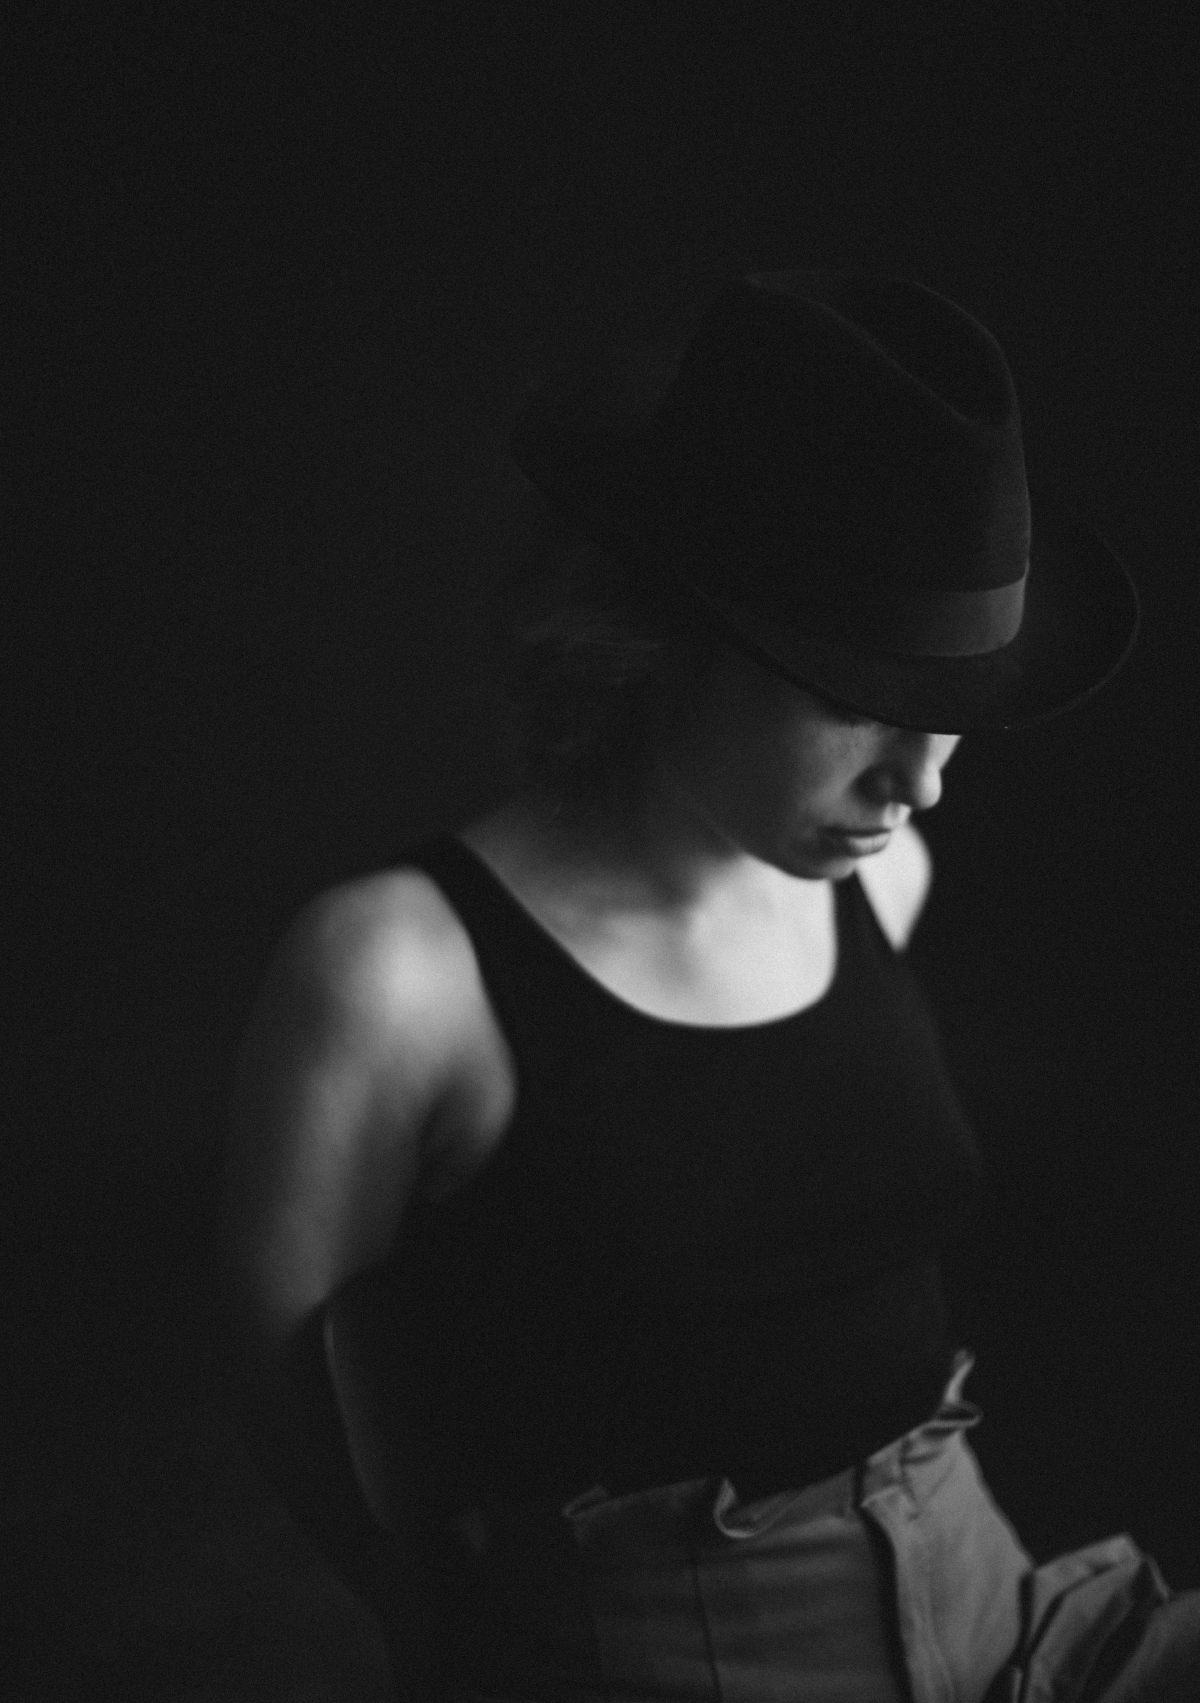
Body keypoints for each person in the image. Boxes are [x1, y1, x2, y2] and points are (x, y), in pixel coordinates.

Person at [221, 271, 1199, 1701]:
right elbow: (287, 1392)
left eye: (952, 716)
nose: (919, 785)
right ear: (659, 633)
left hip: (1010, 1624)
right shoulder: (396, 973)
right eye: (860, 700)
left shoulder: (884, 883)